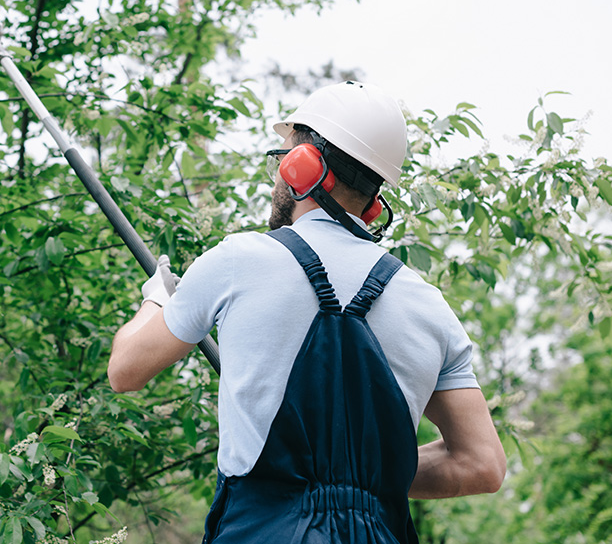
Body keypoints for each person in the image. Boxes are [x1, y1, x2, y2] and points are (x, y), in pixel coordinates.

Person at [107, 81, 506, 543]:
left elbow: (125, 371)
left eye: (283, 159)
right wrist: (369, 479)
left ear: (304, 166)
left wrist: (157, 298)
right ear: (375, 203)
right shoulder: (429, 307)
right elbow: (482, 465)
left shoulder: (238, 261)